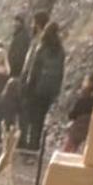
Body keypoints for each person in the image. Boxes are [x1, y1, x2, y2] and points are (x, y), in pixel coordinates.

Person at [20, 14, 65, 151]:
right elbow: (61, 73)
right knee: (40, 120)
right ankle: (35, 147)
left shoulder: (42, 48)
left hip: (36, 89)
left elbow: (34, 70)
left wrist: (27, 86)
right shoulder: (60, 51)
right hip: (50, 91)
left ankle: (29, 146)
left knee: (32, 117)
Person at [61, 69, 93, 152]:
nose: (83, 83)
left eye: (85, 80)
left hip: (77, 129)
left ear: (91, 84)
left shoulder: (83, 99)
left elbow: (73, 114)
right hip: (87, 132)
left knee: (67, 149)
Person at [7, 13, 31, 79]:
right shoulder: (19, 35)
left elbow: (18, 54)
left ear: (21, 23)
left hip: (17, 68)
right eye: (14, 22)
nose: (14, 24)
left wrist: (12, 66)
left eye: (17, 22)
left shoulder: (21, 36)